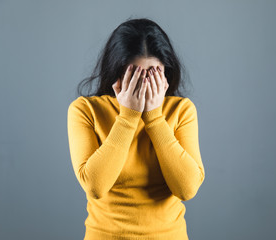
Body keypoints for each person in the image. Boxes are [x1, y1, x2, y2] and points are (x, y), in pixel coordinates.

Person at [67, 17, 205, 240]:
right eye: (136, 75)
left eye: (153, 74)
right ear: (118, 73)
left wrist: (154, 117)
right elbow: (95, 186)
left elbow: (187, 188)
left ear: (166, 73)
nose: (144, 84)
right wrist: (128, 116)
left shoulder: (181, 110)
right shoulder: (85, 110)